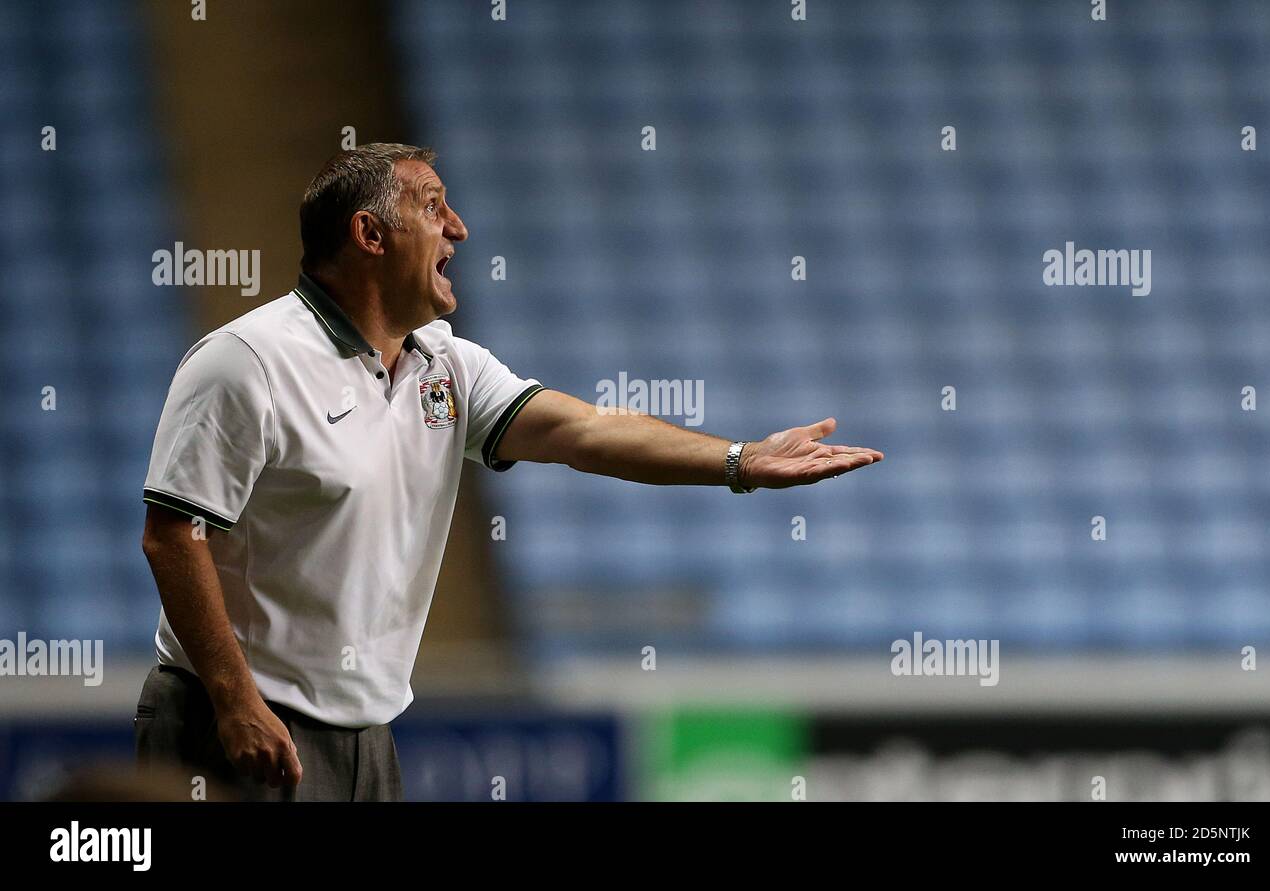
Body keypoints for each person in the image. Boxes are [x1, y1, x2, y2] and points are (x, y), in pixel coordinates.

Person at [136, 143, 884, 801]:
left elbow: (581, 430)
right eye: (434, 208)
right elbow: (173, 537)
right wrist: (236, 703)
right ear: (369, 234)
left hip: (365, 732)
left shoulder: (444, 361)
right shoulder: (246, 362)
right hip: (234, 720)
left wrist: (740, 461)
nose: (458, 228)